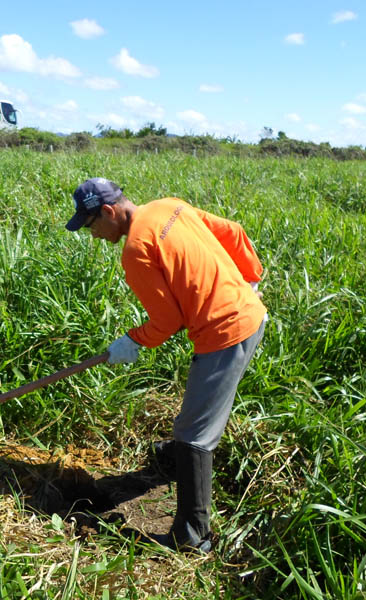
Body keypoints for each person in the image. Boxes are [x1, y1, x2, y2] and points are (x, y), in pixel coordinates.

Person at [65, 177, 267, 555]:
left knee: (194, 433)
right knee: (196, 417)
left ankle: (193, 537)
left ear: (109, 212)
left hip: (225, 333)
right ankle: (176, 463)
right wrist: (250, 278)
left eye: (92, 226)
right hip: (248, 314)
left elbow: (167, 320)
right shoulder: (169, 205)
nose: (93, 236)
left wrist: (133, 341)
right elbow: (233, 231)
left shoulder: (136, 249)